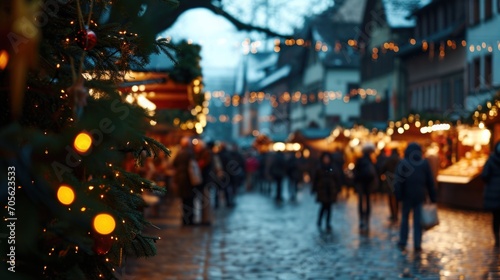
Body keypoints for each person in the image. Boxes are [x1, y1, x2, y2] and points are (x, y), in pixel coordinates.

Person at [394, 142, 436, 252]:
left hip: (406, 196)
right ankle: (417, 243)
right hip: (419, 196)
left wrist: (398, 196)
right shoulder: (424, 163)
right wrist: (432, 197)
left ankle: (403, 241)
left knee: (404, 219)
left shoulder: (404, 162)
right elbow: (430, 182)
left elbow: (398, 181)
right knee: (417, 221)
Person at [312, 152, 341, 230]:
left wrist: (338, 188)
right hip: (322, 190)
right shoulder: (319, 167)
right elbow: (315, 179)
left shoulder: (333, 167)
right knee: (323, 206)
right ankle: (319, 221)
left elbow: (337, 178)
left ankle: (328, 222)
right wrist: (314, 189)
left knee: (329, 207)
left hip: (331, 190)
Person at [172, 137, 197, 226]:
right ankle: (190, 220)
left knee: (184, 201)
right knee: (190, 200)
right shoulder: (190, 153)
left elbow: (174, 164)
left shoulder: (180, 153)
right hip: (189, 179)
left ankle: (184, 220)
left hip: (181, 179)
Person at [353, 143, 378, 230]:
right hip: (368, 184)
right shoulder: (371, 160)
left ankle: (361, 219)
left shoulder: (359, 160)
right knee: (367, 202)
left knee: (361, 202)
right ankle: (367, 219)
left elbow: (355, 172)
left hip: (360, 184)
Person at [482, 141, 500, 248]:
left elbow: (485, 175)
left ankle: (497, 237)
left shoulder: (491, 160)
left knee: (496, 216)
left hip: (493, 193)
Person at [194, 140, 213, 226]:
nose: (195, 148)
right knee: (204, 201)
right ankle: (204, 219)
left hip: (206, 180)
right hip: (204, 180)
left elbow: (202, 164)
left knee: (205, 201)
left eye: (197, 147)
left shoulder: (206, 153)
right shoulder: (204, 153)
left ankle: (206, 220)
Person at [381, 148, 401, 223]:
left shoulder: (388, 159)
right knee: (396, 199)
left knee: (391, 198)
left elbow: (383, 168)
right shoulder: (399, 160)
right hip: (397, 181)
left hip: (389, 181)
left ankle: (393, 214)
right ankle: (396, 215)